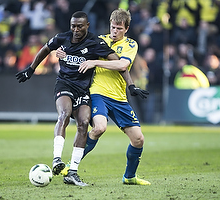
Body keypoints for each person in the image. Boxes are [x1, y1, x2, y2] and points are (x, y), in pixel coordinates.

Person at [15, 11, 119, 187]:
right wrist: (31, 69)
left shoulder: (95, 43)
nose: (76, 30)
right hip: (64, 84)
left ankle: (72, 172)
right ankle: (57, 160)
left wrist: (96, 61)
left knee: (84, 123)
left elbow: (115, 60)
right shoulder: (62, 38)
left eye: (79, 26)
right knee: (64, 113)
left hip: (83, 89)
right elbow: (45, 49)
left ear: (87, 26)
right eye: (73, 26)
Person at [58, 8, 151, 185]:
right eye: (112, 27)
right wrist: (64, 53)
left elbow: (123, 64)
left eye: (119, 29)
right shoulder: (99, 40)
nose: (114, 32)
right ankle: (72, 165)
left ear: (127, 29)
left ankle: (129, 177)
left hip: (119, 98)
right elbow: (76, 49)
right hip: (98, 93)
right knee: (99, 127)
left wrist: (95, 61)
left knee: (138, 139)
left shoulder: (131, 45)